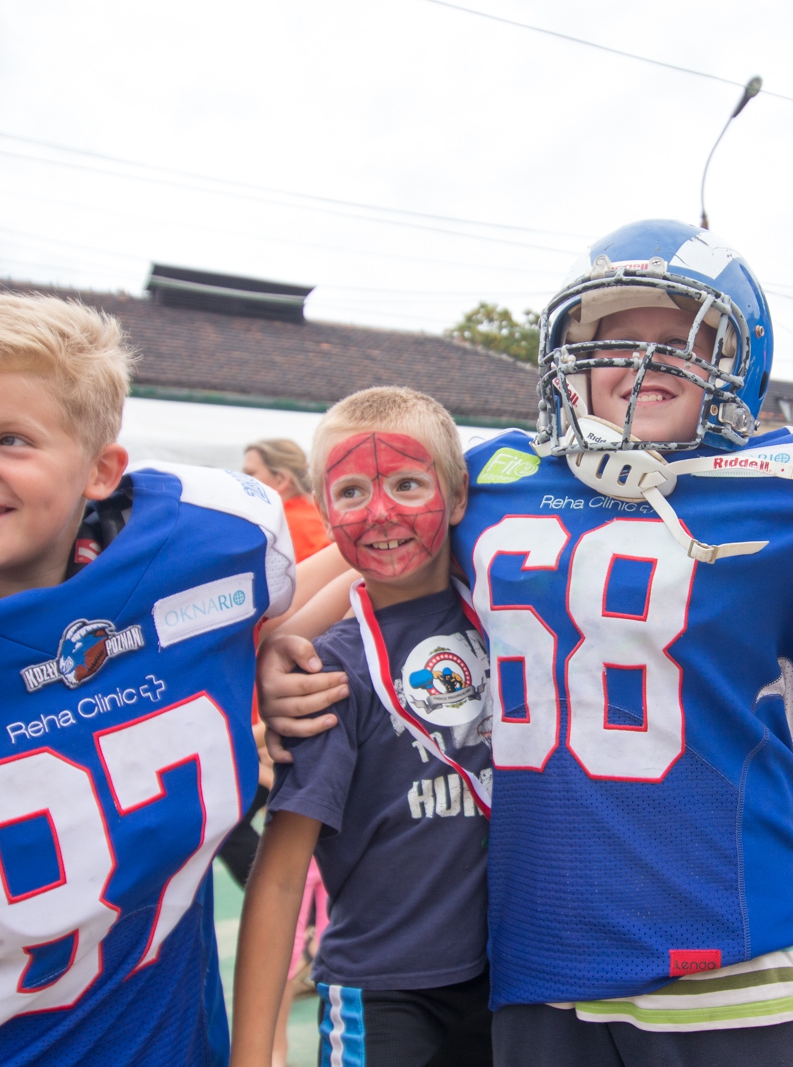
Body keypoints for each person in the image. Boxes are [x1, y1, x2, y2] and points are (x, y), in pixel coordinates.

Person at [260, 220, 793, 1066]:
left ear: (738, 359)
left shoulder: (781, 489)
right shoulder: (502, 475)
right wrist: (276, 652)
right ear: (564, 354)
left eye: (679, 337)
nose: (645, 360)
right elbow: (356, 561)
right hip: (539, 958)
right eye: (615, 337)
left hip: (725, 956)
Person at [0, 292, 295, 1066]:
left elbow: (292, 596)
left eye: (11, 439)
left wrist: (275, 647)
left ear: (104, 469)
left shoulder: (212, 538)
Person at [232, 388, 493, 1067]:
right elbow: (282, 873)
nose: (381, 510)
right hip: (383, 991)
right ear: (322, 509)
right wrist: (251, 1053)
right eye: (350, 492)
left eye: (408, 483)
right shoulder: (325, 671)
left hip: (519, 978)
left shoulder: (514, 615)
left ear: (459, 496)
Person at [244, 438, 331, 562]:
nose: (241, 481)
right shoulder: (320, 516)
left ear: (281, 479)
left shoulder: (280, 526)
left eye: (250, 474)